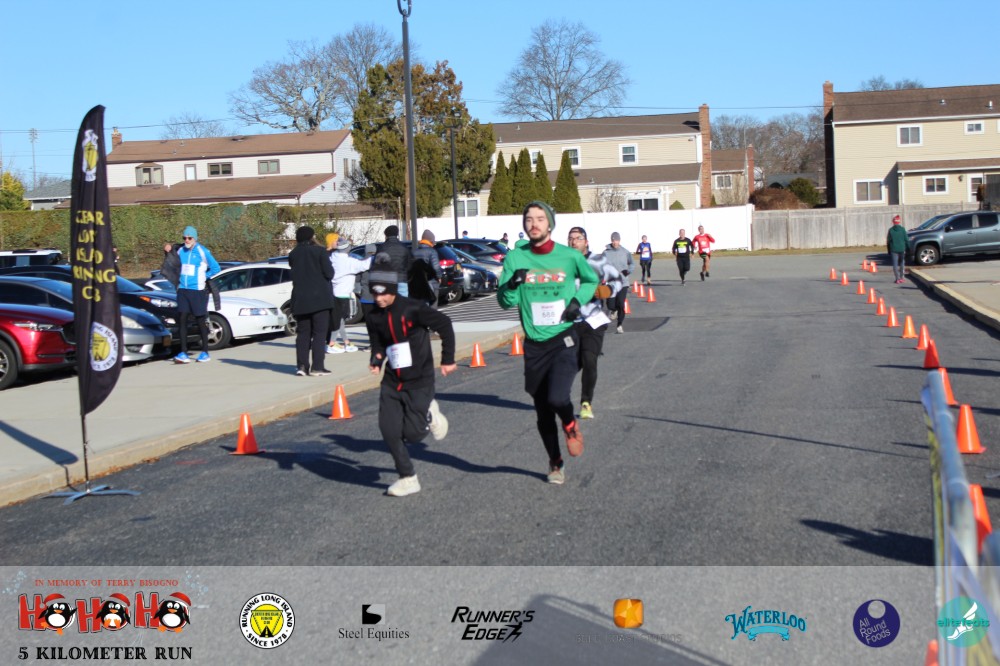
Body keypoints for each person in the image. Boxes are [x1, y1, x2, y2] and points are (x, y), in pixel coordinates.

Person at [498, 200, 599, 485]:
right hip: (534, 344)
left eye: (540, 219)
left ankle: (570, 424)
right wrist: (512, 284)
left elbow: (591, 280)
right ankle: (555, 462)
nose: (534, 224)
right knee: (542, 409)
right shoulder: (515, 259)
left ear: (550, 224)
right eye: (529, 219)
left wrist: (577, 302)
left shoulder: (569, 256)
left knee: (557, 397)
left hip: (564, 337)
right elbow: (504, 301)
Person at [365, 257, 457, 497]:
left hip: (419, 380)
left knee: (414, 434)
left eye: (383, 293)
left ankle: (430, 413)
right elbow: (378, 342)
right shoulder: (373, 316)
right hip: (392, 381)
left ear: (393, 290)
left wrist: (447, 359)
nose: (379, 299)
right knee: (388, 430)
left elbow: (444, 324)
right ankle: (407, 478)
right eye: (375, 294)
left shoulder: (413, 309)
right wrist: (376, 360)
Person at [567, 226, 622, 420]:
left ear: (586, 241)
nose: (574, 241)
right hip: (569, 323)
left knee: (589, 359)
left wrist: (606, 291)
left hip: (593, 320)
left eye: (578, 238)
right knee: (571, 362)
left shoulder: (598, 261)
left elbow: (618, 279)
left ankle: (586, 402)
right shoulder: (562, 263)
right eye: (571, 238)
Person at [288, 226, 334, 376]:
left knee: (303, 334)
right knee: (319, 333)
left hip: (300, 299)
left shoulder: (293, 254)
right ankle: (317, 367)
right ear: (311, 236)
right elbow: (329, 273)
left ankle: (302, 366)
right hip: (320, 299)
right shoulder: (320, 251)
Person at [172, 226, 220, 364]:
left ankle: (205, 352)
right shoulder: (181, 251)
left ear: (195, 238)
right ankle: (183, 352)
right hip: (183, 289)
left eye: (189, 238)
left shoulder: (202, 251)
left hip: (197, 290)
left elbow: (216, 267)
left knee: (200, 320)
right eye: (184, 238)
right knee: (182, 319)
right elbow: (173, 263)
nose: (187, 240)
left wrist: (204, 277)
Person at [328, 237, 372, 354]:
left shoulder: (333, 258)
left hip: (333, 292)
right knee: (338, 320)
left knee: (340, 320)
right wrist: (370, 254)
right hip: (342, 294)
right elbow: (365, 265)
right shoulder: (347, 262)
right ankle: (332, 343)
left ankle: (346, 342)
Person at [603, 232, 633, 334]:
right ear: (611, 240)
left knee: (621, 303)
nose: (615, 242)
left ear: (619, 241)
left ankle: (619, 324)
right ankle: (613, 310)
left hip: (623, 282)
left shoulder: (625, 252)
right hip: (611, 282)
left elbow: (632, 263)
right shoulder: (606, 253)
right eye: (613, 240)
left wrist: (628, 271)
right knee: (610, 304)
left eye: (616, 240)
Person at [409, 229, 442, 308]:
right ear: (431, 241)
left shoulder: (413, 252)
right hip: (431, 282)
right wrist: (439, 277)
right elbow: (436, 267)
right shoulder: (432, 252)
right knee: (432, 306)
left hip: (416, 283)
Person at [381, 225, 412, 297]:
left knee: (389, 303)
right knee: (402, 302)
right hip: (402, 280)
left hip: (388, 281)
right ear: (397, 234)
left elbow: (378, 265)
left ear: (386, 235)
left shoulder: (382, 248)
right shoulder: (404, 247)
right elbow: (410, 265)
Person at [887, 214, 907, 284]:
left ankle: (897, 278)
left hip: (894, 249)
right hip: (902, 248)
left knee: (895, 264)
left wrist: (889, 250)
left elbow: (888, 241)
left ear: (893, 222)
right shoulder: (902, 229)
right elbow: (906, 239)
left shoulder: (891, 230)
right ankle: (902, 277)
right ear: (899, 222)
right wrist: (908, 247)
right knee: (902, 263)